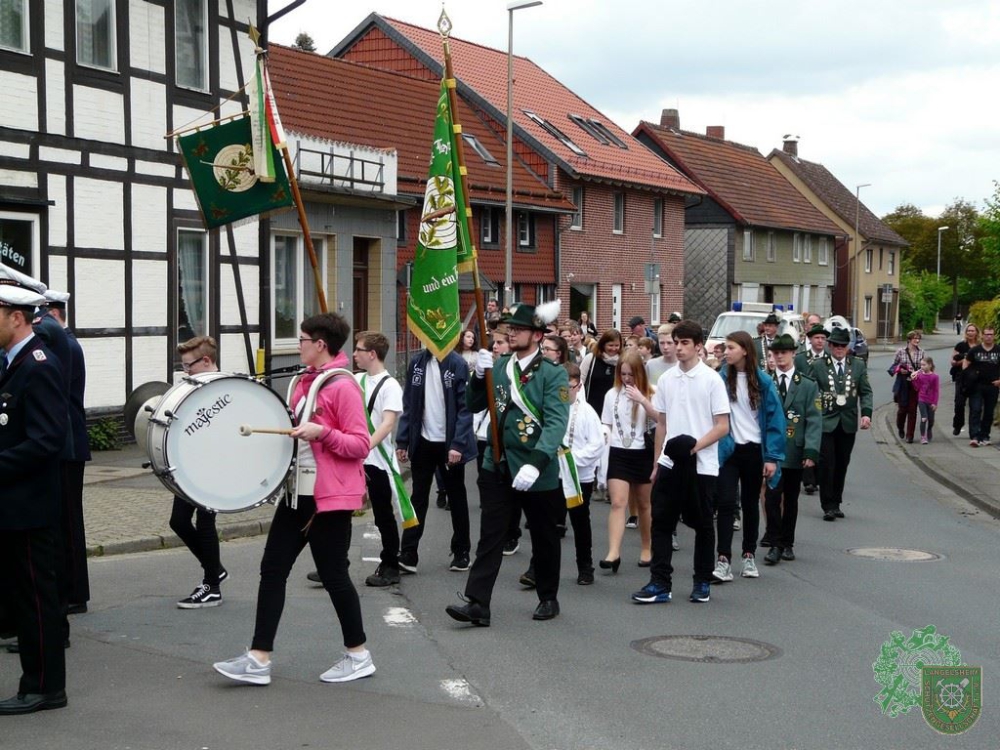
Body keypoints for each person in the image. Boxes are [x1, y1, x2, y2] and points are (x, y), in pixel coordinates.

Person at [214, 312, 374, 686]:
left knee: (334, 576)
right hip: (296, 494)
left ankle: (359, 654)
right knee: (272, 571)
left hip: (326, 499)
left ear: (320, 345)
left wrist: (323, 433)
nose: (297, 345)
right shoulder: (305, 382)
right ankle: (258, 657)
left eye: (302, 339)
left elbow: (360, 444)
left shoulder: (341, 386)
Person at [446, 301, 569, 625]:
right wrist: (478, 374)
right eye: (510, 328)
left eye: (519, 328)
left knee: (543, 536)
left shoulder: (552, 374)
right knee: (491, 535)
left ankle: (548, 596)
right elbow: (473, 404)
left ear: (538, 335)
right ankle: (478, 603)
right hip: (497, 463)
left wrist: (538, 462)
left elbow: (556, 423)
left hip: (535, 469)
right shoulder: (500, 367)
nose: (511, 332)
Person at [0, 270, 69, 714]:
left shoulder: (39, 365)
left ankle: (44, 686)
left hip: (31, 506)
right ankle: (36, 680)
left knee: (37, 599)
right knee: (23, 597)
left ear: (17, 318)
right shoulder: (14, 363)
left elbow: (46, 440)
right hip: (14, 504)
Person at [632, 320, 730, 605]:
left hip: (702, 465)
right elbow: (662, 422)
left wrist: (692, 448)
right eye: (676, 342)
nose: (679, 348)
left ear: (698, 347)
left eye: (685, 343)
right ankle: (660, 583)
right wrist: (657, 461)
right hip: (669, 464)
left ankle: (702, 582)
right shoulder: (666, 380)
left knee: (702, 525)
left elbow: (722, 425)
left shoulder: (712, 380)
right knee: (661, 522)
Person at [395, 345, 476, 573]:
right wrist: (403, 440)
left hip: (449, 443)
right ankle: (409, 552)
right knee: (418, 497)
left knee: (456, 496)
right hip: (423, 440)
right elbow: (409, 403)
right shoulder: (417, 363)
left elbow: (465, 408)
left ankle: (462, 551)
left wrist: (458, 443)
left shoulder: (457, 364)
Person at [713, 331, 785, 582]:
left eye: (730, 348)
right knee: (725, 504)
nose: (726, 352)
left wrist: (772, 457)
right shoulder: (721, 378)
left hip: (755, 451)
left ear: (744, 350)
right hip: (729, 450)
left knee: (751, 503)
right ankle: (723, 559)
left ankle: (748, 555)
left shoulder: (763, 382)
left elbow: (776, 419)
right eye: (725, 348)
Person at [38, 290, 92, 616]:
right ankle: (74, 591)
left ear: (54, 314)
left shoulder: (65, 344)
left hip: (70, 446)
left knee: (70, 523)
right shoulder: (66, 342)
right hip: (71, 443)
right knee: (70, 521)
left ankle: (74, 593)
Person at [171, 337, 229, 608]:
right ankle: (214, 568)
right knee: (178, 521)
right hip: (190, 466)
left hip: (215, 466)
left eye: (189, 365)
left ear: (206, 360)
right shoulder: (195, 386)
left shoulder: (224, 387)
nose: (186, 371)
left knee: (206, 524)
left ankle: (212, 587)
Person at [762, 334, 822, 565]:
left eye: (784, 353)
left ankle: (788, 542)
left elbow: (814, 420)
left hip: (795, 450)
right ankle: (775, 542)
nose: (779, 357)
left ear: (793, 354)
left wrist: (811, 451)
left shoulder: (807, 385)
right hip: (771, 451)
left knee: (791, 500)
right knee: (771, 498)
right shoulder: (766, 381)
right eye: (776, 353)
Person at [353, 331, 406, 587]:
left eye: (358, 350)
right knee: (341, 510)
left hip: (378, 461)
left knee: (383, 514)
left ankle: (391, 565)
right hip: (356, 459)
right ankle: (336, 563)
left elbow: (387, 424)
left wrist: (365, 446)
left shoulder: (390, 386)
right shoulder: (357, 380)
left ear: (371, 354)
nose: (354, 355)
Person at [600, 350, 657, 571]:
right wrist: (603, 435)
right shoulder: (611, 394)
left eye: (631, 374)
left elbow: (660, 419)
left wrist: (642, 400)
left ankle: (646, 547)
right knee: (618, 503)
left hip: (642, 452)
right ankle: (613, 552)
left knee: (644, 504)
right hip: (618, 452)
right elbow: (607, 423)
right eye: (623, 374)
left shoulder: (652, 393)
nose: (626, 379)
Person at [811, 326, 874, 521]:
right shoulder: (819, 365)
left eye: (843, 346)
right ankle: (827, 504)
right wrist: (817, 411)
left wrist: (866, 414)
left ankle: (836, 502)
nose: (839, 349)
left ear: (848, 347)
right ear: (830, 346)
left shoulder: (857, 365)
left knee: (842, 463)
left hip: (847, 421)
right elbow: (812, 392)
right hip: (826, 421)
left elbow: (866, 391)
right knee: (827, 463)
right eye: (836, 345)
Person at [964, 327, 1000, 447]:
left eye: (991, 334)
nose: (989, 337)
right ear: (982, 336)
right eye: (986, 334)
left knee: (989, 412)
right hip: (977, 385)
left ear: (994, 336)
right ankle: (974, 436)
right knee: (975, 409)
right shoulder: (975, 350)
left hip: (992, 385)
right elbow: (966, 362)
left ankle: (985, 435)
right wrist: (968, 375)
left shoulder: (998, 350)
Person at [889, 330, 925, 443]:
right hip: (903, 382)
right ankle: (900, 427)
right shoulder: (900, 352)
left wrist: (918, 372)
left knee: (913, 410)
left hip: (915, 382)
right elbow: (893, 366)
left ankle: (910, 435)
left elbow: (925, 367)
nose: (917, 340)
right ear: (909, 339)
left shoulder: (922, 352)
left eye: (918, 338)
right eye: (915, 338)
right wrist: (900, 370)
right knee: (902, 409)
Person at [950, 324, 979, 436]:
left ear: (976, 332)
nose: (970, 333)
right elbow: (953, 362)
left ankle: (974, 430)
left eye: (973, 331)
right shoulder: (960, 345)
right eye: (968, 331)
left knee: (975, 405)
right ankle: (958, 425)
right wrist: (965, 359)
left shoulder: (980, 346)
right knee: (959, 403)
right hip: (961, 377)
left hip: (976, 378)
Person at [911, 357, 940, 445]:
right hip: (922, 399)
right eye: (921, 365)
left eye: (924, 365)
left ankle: (929, 429)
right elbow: (917, 388)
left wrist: (935, 403)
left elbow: (936, 390)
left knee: (931, 420)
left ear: (930, 365)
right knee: (924, 418)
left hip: (931, 401)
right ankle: (923, 437)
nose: (922, 367)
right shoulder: (920, 375)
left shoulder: (935, 376)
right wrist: (913, 380)